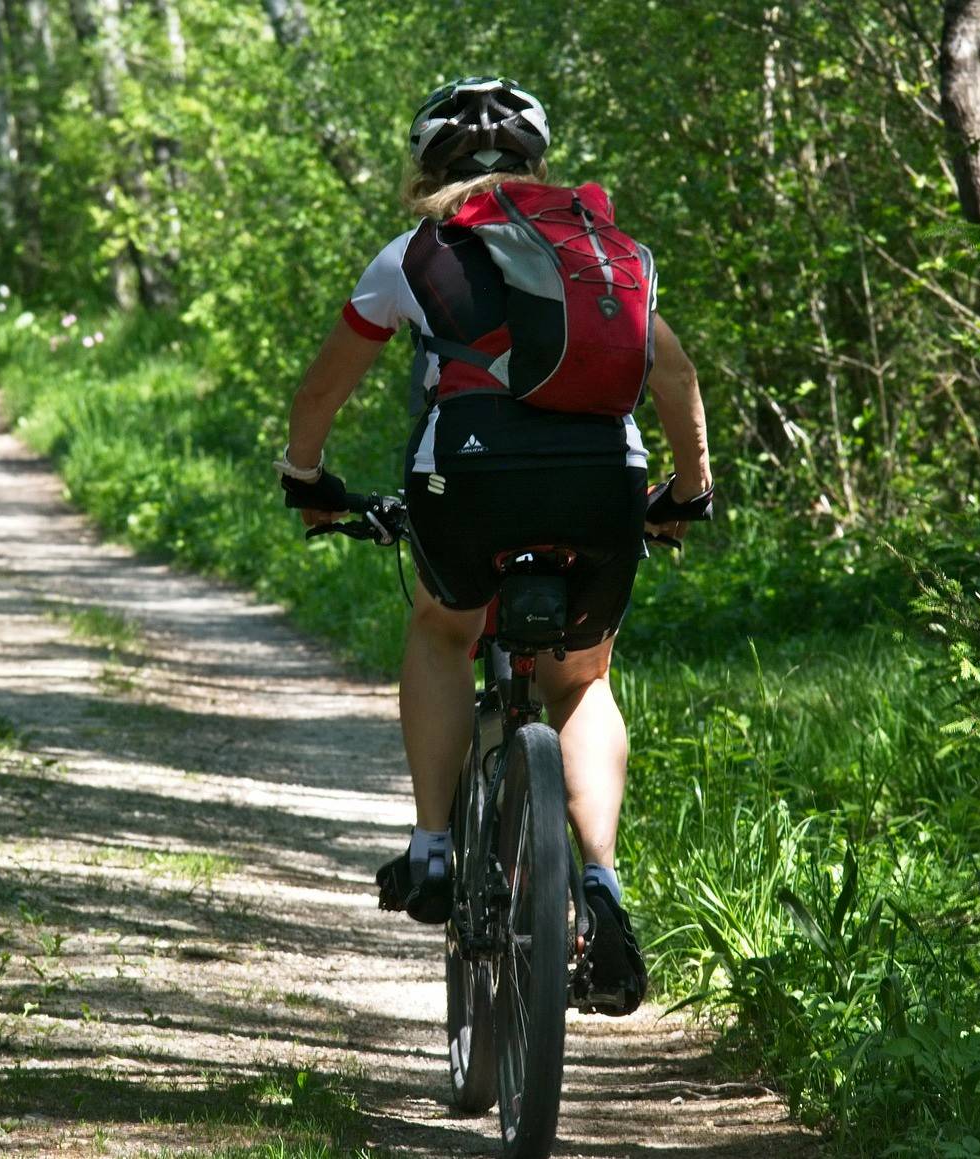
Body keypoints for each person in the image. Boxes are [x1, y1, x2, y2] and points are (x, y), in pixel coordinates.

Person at [275, 78, 714, 1014]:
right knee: (581, 681)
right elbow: (674, 374)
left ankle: (433, 848)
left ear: (426, 168)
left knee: (443, 628)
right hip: (604, 479)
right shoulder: (599, 249)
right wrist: (688, 493)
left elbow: (320, 393)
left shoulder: (414, 254)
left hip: (469, 480)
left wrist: (306, 480)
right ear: (536, 162)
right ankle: (602, 880)